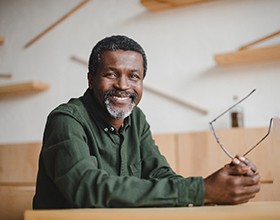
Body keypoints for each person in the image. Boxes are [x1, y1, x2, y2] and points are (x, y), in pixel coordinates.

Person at [33, 35, 260, 209]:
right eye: (111, 74)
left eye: (134, 76)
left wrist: (222, 183)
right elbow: (88, 189)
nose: (123, 85)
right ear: (91, 80)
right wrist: (202, 190)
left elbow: (161, 175)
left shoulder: (136, 118)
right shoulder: (66, 120)